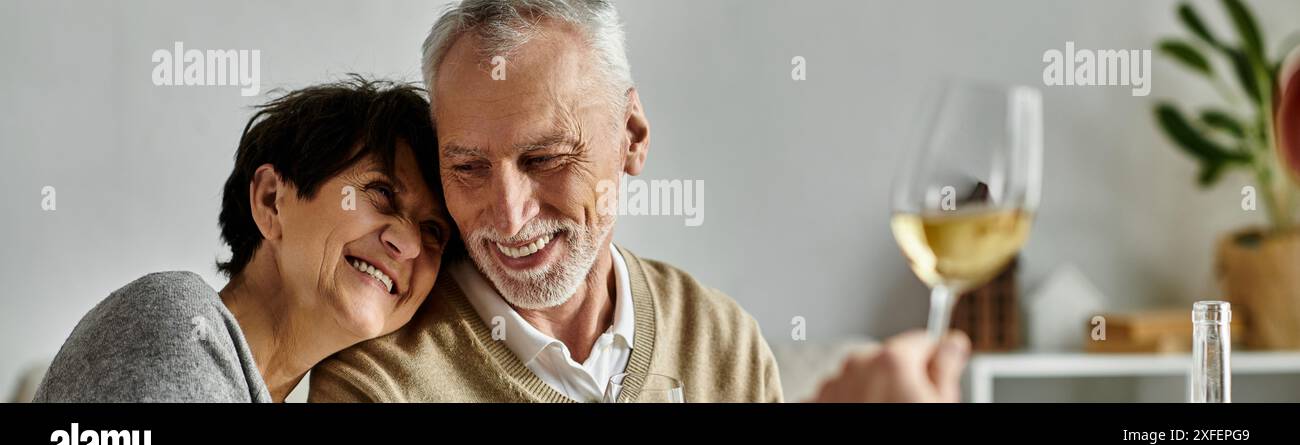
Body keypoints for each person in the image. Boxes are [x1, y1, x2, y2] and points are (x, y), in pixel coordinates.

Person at [310, 0, 970, 403]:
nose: (507, 215)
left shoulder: (723, 341)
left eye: (545, 159)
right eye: (469, 166)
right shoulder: (378, 376)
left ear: (632, 136)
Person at [35, 77, 454, 402]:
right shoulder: (178, 316)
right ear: (271, 200)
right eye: (381, 191)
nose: (409, 243)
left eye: (433, 230)